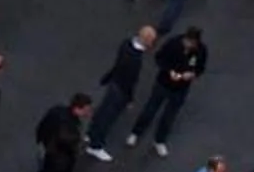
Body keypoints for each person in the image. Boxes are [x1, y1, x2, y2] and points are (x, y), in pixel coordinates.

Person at [130, 27, 208, 155]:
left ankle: (159, 140)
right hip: (163, 84)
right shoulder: (173, 43)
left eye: (193, 43)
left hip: (181, 88)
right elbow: (159, 58)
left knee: (169, 116)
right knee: (150, 110)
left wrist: (192, 74)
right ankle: (136, 133)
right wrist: (169, 70)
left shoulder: (201, 51)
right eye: (188, 42)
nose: (189, 45)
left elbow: (200, 68)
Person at [84, 24, 157, 158]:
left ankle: (90, 134)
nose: (152, 43)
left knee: (102, 112)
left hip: (114, 83)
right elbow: (130, 81)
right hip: (121, 91)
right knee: (108, 117)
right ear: (146, 40)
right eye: (152, 40)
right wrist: (130, 98)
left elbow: (118, 65)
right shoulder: (136, 59)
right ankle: (96, 145)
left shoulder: (126, 44)